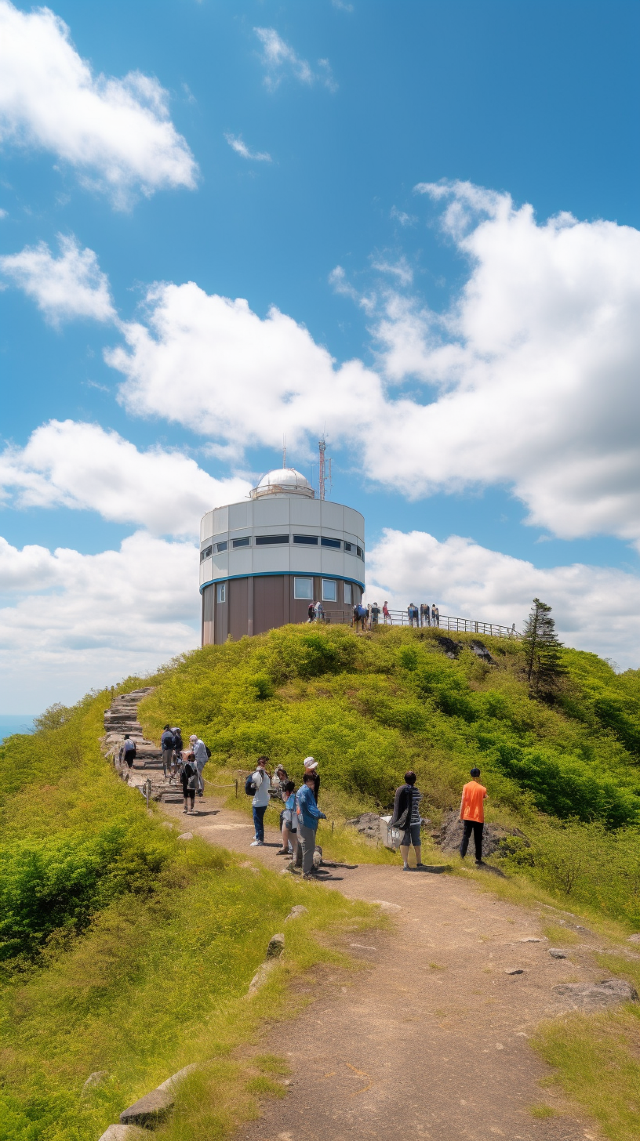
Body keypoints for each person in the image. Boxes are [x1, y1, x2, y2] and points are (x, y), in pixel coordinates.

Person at [391, 770, 426, 870]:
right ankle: (419, 862)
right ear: (414, 780)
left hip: (403, 821)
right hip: (415, 820)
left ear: (405, 779)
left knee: (404, 842)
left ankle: (406, 864)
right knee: (416, 841)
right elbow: (419, 799)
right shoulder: (416, 791)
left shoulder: (399, 790)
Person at [295, 772, 326, 878]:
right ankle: (306, 872)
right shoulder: (304, 791)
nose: (314, 785)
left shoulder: (305, 790)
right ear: (308, 781)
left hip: (306, 822)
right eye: (313, 783)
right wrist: (318, 814)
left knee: (308, 847)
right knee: (309, 848)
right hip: (306, 823)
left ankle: (306, 869)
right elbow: (306, 806)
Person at [459, 767, 488, 866]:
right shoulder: (482, 788)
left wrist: (461, 814)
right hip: (478, 815)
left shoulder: (466, 786)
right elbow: (485, 797)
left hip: (467, 814)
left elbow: (463, 800)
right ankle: (478, 859)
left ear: (471, 775)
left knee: (466, 836)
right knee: (478, 838)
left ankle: (462, 856)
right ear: (479, 775)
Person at [250, 756, 271, 847]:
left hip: (259, 801)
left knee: (258, 820)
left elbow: (253, 785)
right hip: (264, 799)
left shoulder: (259, 774)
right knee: (258, 819)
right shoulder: (265, 775)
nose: (262, 765)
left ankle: (259, 839)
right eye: (261, 763)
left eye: (263, 763)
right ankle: (257, 834)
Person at [278, 780, 299, 857]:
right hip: (292, 816)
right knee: (290, 833)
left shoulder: (290, 796)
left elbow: (284, 798)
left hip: (290, 816)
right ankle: (288, 848)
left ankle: (290, 849)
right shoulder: (295, 795)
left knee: (290, 834)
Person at [190, 734, 208, 798]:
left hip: (200, 760)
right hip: (199, 759)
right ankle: (198, 789)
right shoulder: (197, 743)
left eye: (191, 740)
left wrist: (192, 746)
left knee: (198, 773)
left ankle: (200, 789)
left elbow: (195, 752)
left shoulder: (199, 743)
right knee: (197, 774)